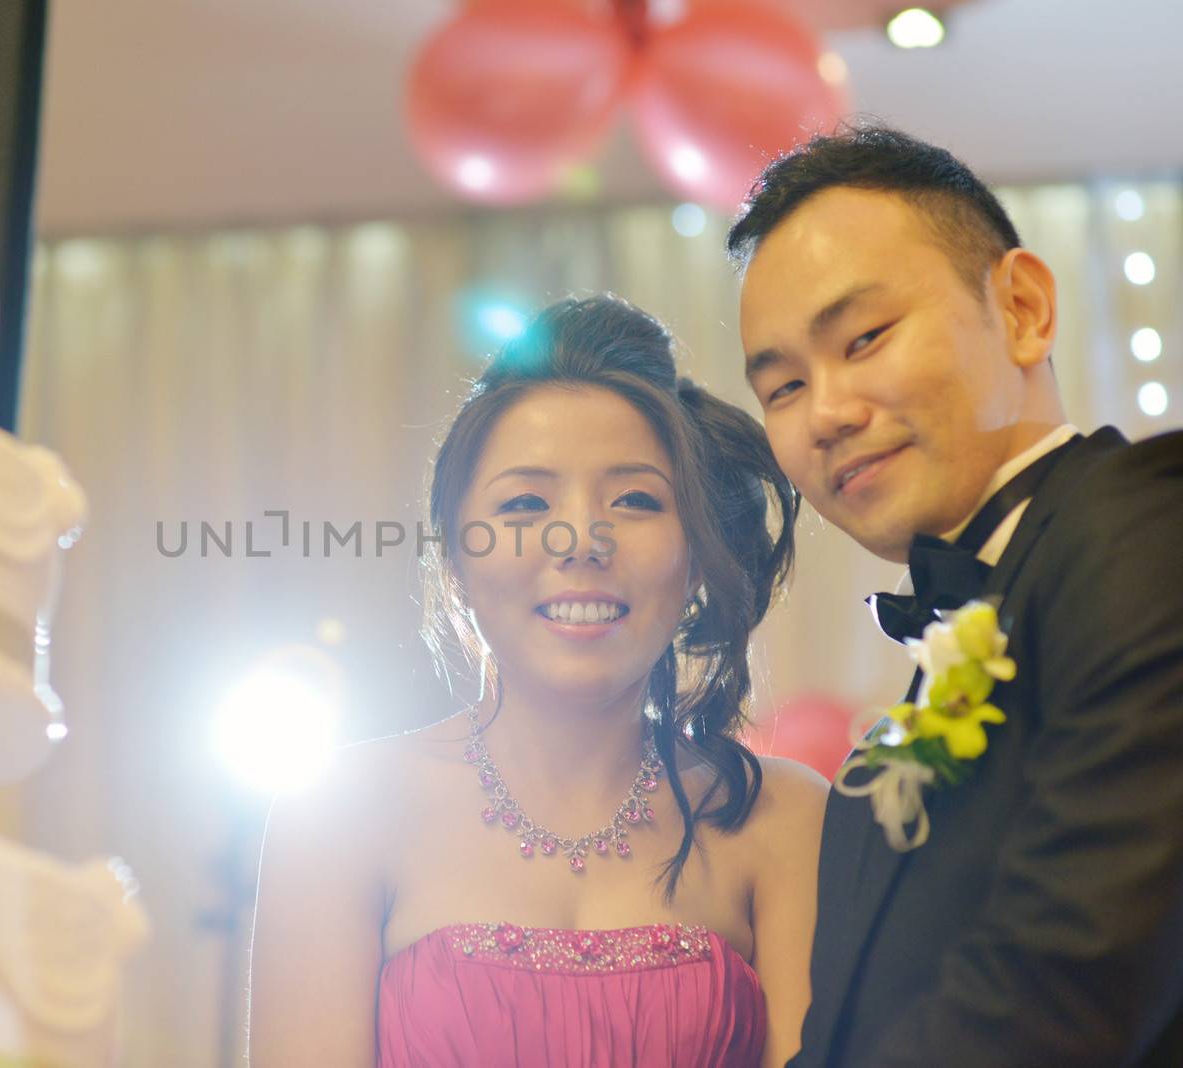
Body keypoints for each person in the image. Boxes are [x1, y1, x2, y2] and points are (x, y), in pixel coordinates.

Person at [248, 294, 827, 1066]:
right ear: (454, 557)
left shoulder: (783, 818)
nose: (581, 541)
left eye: (635, 500)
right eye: (525, 501)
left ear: (695, 552)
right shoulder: (335, 815)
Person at [730, 124, 1183, 1066]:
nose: (827, 414)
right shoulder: (873, 768)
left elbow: (1071, 977)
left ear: (1020, 308)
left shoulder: (1147, 533)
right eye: (781, 388)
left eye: (864, 338)